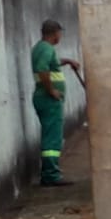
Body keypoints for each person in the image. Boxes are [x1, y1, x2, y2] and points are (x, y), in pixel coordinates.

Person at [31, 20, 80, 187]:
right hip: (49, 99)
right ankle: (51, 175)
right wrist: (51, 90)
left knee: (50, 135)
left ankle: (49, 173)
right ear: (55, 33)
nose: (60, 36)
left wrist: (66, 61)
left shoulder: (41, 48)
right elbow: (42, 68)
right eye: (60, 33)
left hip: (45, 99)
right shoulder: (46, 48)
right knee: (52, 138)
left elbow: (51, 63)